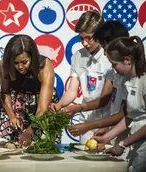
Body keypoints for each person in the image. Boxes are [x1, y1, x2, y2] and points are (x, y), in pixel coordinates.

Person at [49, 10, 114, 144]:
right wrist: (60, 104)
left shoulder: (110, 57)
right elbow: (73, 90)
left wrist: (77, 108)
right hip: (85, 121)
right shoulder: (77, 56)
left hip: (109, 122)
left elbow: (104, 99)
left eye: (89, 38)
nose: (84, 43)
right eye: (81, 38)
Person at [0, 34, 59, 146]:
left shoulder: (44, 66)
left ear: (32, 57)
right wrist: (12, 116)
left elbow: (43, 108)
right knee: (3, 145)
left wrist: (29, 131)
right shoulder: (4, 64)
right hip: (13, 102)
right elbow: (5, 92)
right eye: (16, 63)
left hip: (40, 104)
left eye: (24, 62)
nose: (20, 67)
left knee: (42, 146)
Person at [67, 20, 130, 140]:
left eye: (106, 49)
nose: (105, 54)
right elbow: (124, 112)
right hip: (113, 131)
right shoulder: (116, 72)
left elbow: (128, 114)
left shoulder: (137, 76)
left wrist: (91, 124)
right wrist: (108, 129)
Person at [93, 36, 146, 172]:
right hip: (135, 143)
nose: (113, 69)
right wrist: (107, 137)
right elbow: (130, 116)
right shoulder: (128, 80)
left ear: (127, 60)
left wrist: (122, 144)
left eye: (114, 64)